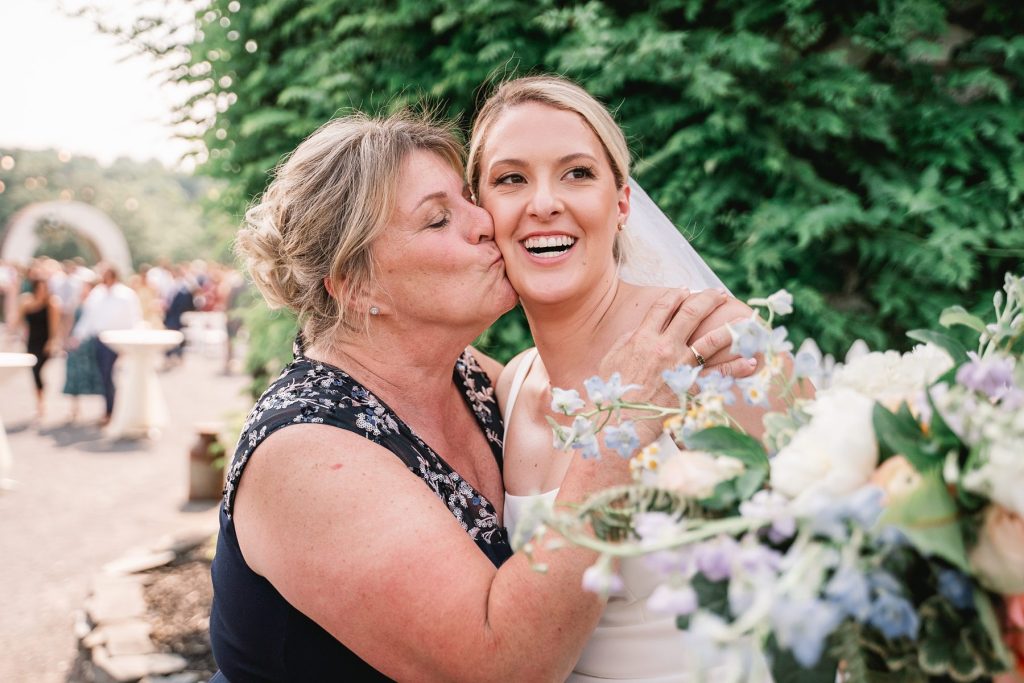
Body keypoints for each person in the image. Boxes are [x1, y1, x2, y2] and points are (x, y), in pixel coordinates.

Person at [208, 112, 750, 681]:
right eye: (440, 219)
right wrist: (626, 421)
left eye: (470, 198)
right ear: (356, 285)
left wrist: (690, 359)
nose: (487, 223)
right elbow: (504, 665)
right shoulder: (306, 456)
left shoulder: (471, 380)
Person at [468, 75, 783, 681]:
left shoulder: (707, 340)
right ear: (481, 213)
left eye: (577, 173)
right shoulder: (511, 387)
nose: (543, 203)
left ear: (621, 202)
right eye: (511, 179)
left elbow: (845, 532)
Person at [72, 265, 142, 425]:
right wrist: (78, 336)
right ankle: (110, 409)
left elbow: (134, 318)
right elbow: (88, 318)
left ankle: (119, 410)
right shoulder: (97, 294)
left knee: (120, 376)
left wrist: (131, 342)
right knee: (105, 376)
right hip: (101, 340)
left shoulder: (126, 295)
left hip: (121, 340)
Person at [62, 279, 104, 423]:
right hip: (76, 343)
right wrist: (67, 339)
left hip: (89, 343)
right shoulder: (77, 304)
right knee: (74, 374)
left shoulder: (96, 304)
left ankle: (104, 410)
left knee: (98, 374)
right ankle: (75, 409)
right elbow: (70, 322)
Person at [18, 276, 60, 419]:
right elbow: (19, 321)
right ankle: (40, 402)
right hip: (31, 342)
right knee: (34, 372)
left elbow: (54, 325)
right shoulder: (27, 302)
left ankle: (42, 400)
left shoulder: (51, 304)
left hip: (44, 342)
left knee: (38, 370)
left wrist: (52, 341)